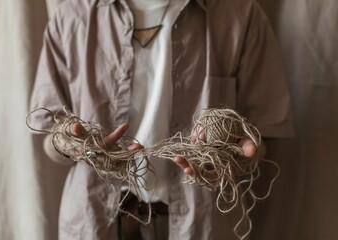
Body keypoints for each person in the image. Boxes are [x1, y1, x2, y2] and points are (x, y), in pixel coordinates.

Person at [29, 0, 294, 239]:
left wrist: (237, 159)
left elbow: (259, 140)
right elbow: (51, 142)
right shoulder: (72, 16)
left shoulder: (239, 14)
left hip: (200, 225)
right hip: (95, 222)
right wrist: (75, 146)